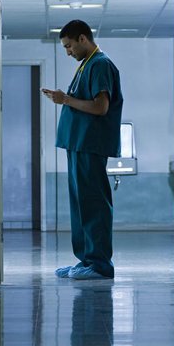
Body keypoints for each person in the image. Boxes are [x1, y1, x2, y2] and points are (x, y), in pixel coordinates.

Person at [41, 20, 123, 280]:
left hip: (90, 144)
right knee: (80, 205)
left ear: (83, 39)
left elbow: (101, 107)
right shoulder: (86, 65)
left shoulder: (100, 64)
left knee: (94, 204)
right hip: (78, 143)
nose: (68, 52)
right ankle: (87, 260)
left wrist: (64, 99)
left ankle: (100, 265)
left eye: (69, 46)